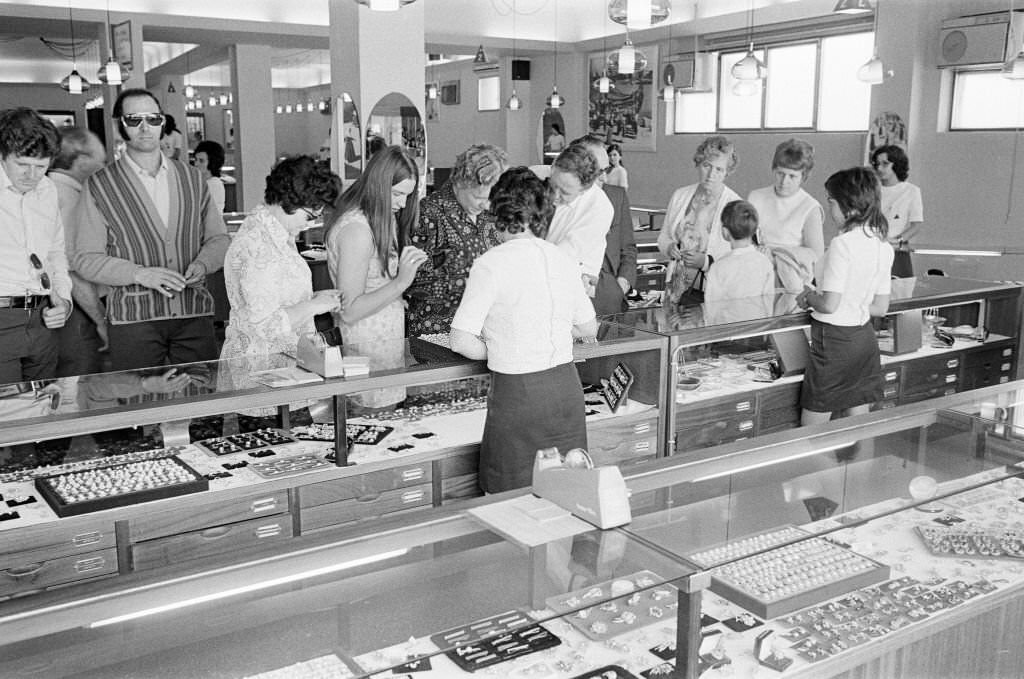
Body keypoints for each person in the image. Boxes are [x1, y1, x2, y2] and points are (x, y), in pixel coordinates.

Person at [450, 167, 597, 493]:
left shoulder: (490, 264)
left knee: (510, 498)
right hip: (564, 389)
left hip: (519, 395)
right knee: (567, 492)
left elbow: (460, 340)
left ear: (497, 211)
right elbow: (588, 327)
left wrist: (498, 347)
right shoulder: (561, 257)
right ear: (542, 213)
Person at [72, 88, 229, 371]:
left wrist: (203, 264)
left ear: (162, 123)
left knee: (202, 403)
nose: (145, 127)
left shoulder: (192, 178)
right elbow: (85, 258)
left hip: (193, 312)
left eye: (153, 119)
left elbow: (218, 238)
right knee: (140, 405)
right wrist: (139, 274)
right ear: (119, 125)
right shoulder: (99, 185)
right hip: (133, 319)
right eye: (134, 120)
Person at [218, 157, 342, 396]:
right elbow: (266, 325)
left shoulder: (276, 234)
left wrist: (316, 299)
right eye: (309, 216)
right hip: (263, 373)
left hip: (287, 369)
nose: (310, 225)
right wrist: (315, 305)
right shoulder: (256, 244)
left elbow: (275, 300)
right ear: (290, 201)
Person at [325, 145, 427, 410]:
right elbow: (349, 311)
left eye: (408, 195)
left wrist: (397, 294)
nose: (402, 203)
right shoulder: (357, 230)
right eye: (396, 194)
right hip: (364, 352)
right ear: (378, 186)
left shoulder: (380, 220)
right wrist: (400, 283)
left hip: (386, 351)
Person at [797, 167, 894, 426]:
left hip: (834, 342)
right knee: (858, 426)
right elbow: (880, 307)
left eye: (831, 201)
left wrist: (808, 297)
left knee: (812, 430)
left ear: (848, 205)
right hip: (863, 339)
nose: (830, 210)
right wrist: (854, 303)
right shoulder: (883, 244)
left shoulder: (843, 243)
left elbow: (829, 305)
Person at [0, 107, 73, 384]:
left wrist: (64, 301)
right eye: (22, 164)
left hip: (43, 318)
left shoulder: (48, 189)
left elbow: (55, 253)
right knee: (6, 414)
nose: (32, 175)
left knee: (42, 406)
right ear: (3, 155)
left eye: (41, 166)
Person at [406, 144, 508, 336]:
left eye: (491, 198)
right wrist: (468, 282)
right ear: (461, 182)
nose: (486, 205)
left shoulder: (491, 213)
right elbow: (412, 280)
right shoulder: (429, 212)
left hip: (485, 328)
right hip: (438, 329)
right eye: (479, 197)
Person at [48, 126, 108, 377]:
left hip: (61, 312)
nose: (105, 167)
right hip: (78, 314)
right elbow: (72, 268)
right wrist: (101, 320)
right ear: (82, 161)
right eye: (102, 160)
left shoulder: (46, 190)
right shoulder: (68, 197)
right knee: (80, 388)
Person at [658, 135, 741, 305]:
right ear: (698, 164)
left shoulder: (735, 205)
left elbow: (740, 258)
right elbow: (663, 236)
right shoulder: (680, 196)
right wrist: (669, 247)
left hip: (715, 294)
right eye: (706, 166)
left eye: (719, 169)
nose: (711, 174)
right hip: (675, 288)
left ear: (727, 172)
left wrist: (706, 262)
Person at [573, 135, 637, 316]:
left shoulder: (617, 196)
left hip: (609, 296)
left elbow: (628, 248)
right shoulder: (561, 201)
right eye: (597, 170)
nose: (604, 177)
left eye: (606, 169)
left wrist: (622, 284)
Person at [547, 142, 614, 299]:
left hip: (567, 290)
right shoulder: (536, 176)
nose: (555, 196)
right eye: (552, 185)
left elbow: (562, 256)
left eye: (564, 192)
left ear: (584, 189)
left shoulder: (599, 208)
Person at [747, 138, 825, 261]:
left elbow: (815, 254)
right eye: (780, 173)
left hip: (791, 271)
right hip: (756, 264)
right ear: (773, 169)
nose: (784, 181)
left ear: (803, 177)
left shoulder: (810, 208)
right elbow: (744, 238)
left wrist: (774, 255)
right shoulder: (755, 197)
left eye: (792, 176)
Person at [704, 200, 774, 302]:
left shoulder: (718, 267)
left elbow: (711, 308)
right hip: (758, 317)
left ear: (725, 231)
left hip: (727, 317)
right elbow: (768, 301)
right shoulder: (765, 262)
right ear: (755, 230)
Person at [871, 144, 923, 278]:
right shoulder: (871, 190)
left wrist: (898, 241)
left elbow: (916, 225)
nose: (879, 168)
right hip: (873, 250)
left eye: (885, 164)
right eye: (877, 164)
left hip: (897, 252)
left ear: (897, 164)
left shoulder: (911, 191)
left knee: (900, 292)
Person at [193, 140, 226, 215]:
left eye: (201, 161)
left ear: (212, 162)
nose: (196, 164)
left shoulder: (214, 184)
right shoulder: (202, 182)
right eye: (195, 159)